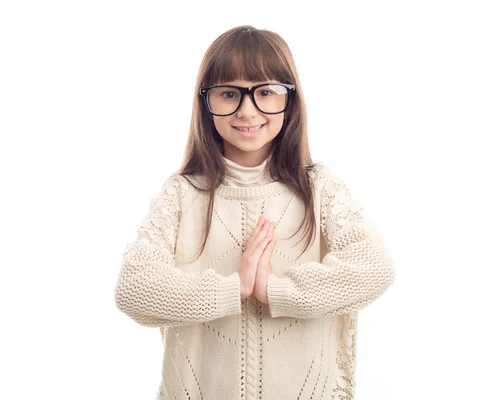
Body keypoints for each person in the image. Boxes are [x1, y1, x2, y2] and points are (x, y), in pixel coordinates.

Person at [114, 24, 396, 400]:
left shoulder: (319, 190)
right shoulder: (182, 195)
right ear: (206, 102)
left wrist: (273, 291)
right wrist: (235, 287)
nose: (247, 111)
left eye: (265, 92)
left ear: (289, 100)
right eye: (229, 93)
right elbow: (134, 289)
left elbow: (375, 267)